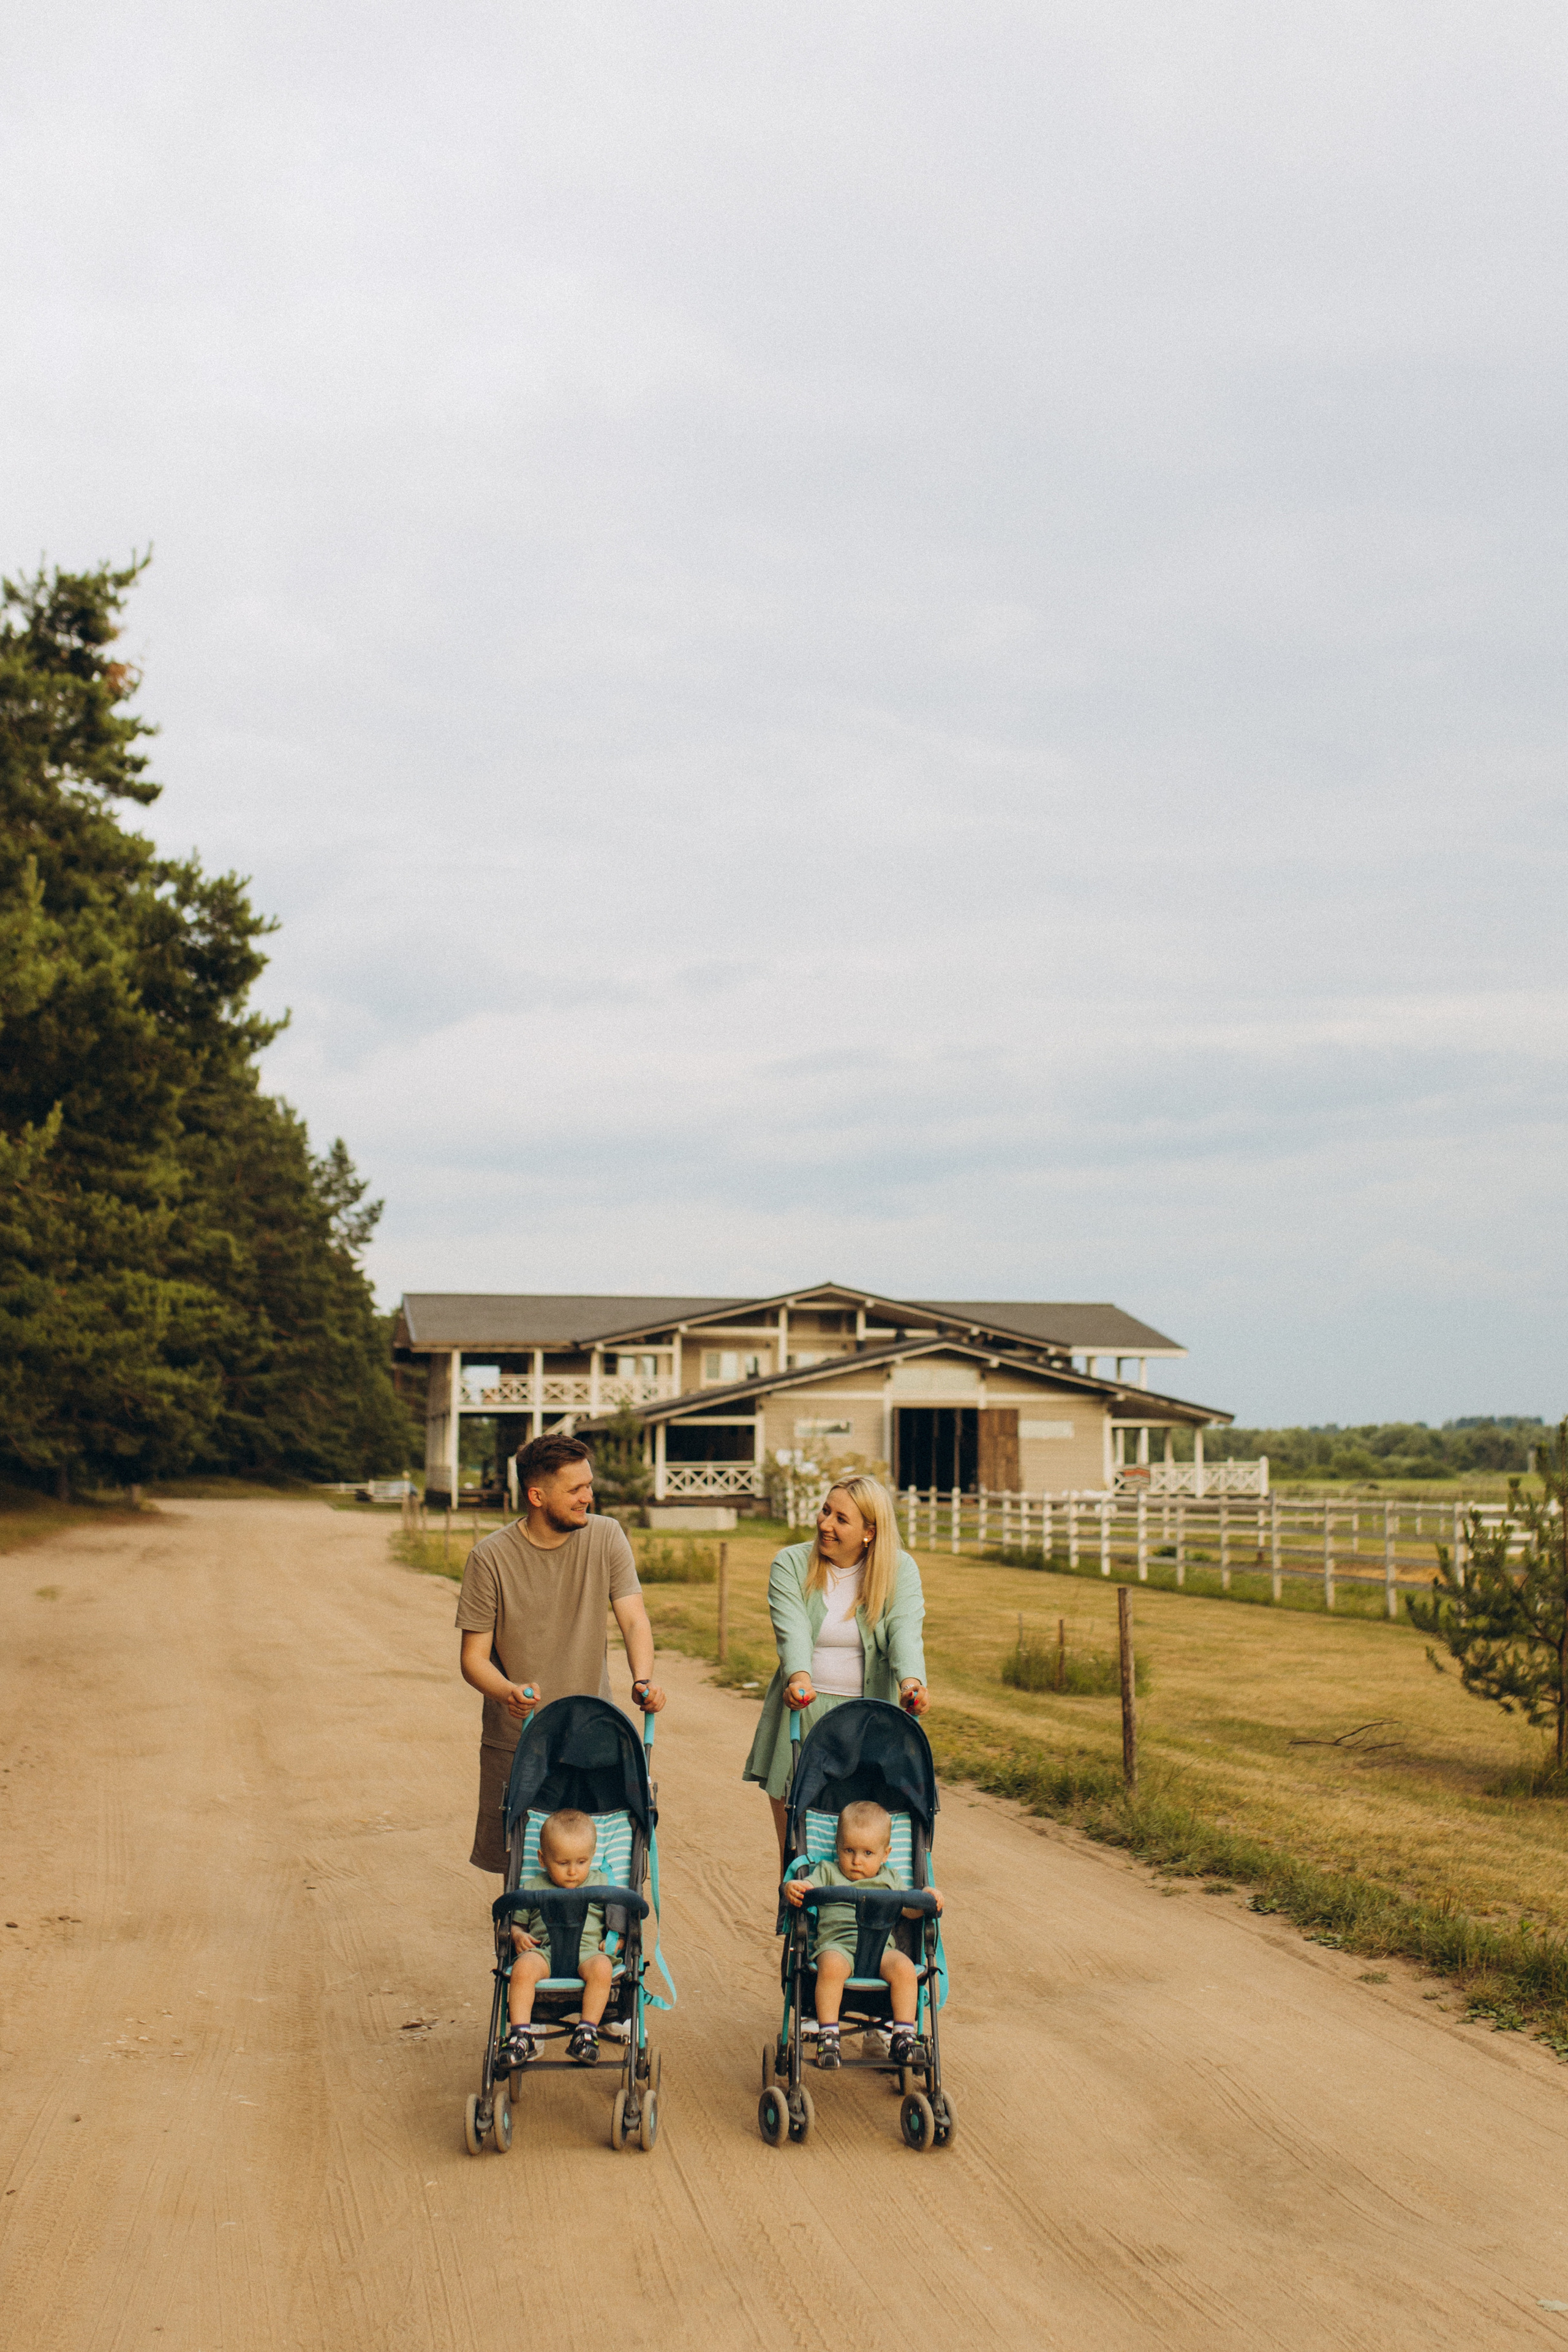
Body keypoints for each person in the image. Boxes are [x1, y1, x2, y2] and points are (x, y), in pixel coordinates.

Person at [456, 1430, 666, 1876]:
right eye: (576, 1489)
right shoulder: (489, 1558)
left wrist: (642, 1677)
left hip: (593, 1734)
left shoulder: (606, 1536)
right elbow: (473, 1658)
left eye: (589, 1485)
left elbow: (634, 1618)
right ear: (537, 1495)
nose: (588, 1496)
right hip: (519, 1737)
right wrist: (507, 1691)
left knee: (599, 1861)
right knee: (524, 1868)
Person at [742, 1472, 929, 1869]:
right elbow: (791, 1629)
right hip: (804, 1713)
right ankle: (802, 1925)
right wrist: (799, 1678)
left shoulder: (899, 1570)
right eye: (825, 1511)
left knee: (865, 1845)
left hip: (869, 1721)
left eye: (841, 1519)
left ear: (869, 1532)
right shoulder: (790, 1564)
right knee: (802, 1850)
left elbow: (905, 1632)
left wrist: (911, 1682)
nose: (825, 1524)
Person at [783, 1798, 943, 2070]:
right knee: (832, 1967)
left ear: (885, 1854)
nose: (857, 1861)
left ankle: (903, 2034)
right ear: (837, 1848)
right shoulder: (828, 1872)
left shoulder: (890, 1879)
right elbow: (807, 1888)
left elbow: (910, 1911)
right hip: (837, 1945)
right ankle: (829, 2034)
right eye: (849, 1850)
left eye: (867, 1853)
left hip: (881, 1950)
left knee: (905, 1968)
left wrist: (927, 1898)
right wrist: (794, 1887)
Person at [499, 1808, 613, 2068]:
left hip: (587, 1952)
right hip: (545, 1952)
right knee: (523, 1967)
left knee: (603, 1967)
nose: (573, 1871)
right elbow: (517, 1924)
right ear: (542, 1858)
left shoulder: (602, 1883)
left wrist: (617, 1939)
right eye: (563, 1863)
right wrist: (518, 1936)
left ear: (592, 1857)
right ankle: (520, 2034)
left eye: (581, 1862)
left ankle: (586, 2031)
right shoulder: (533, 1887)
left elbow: (618, 1922)